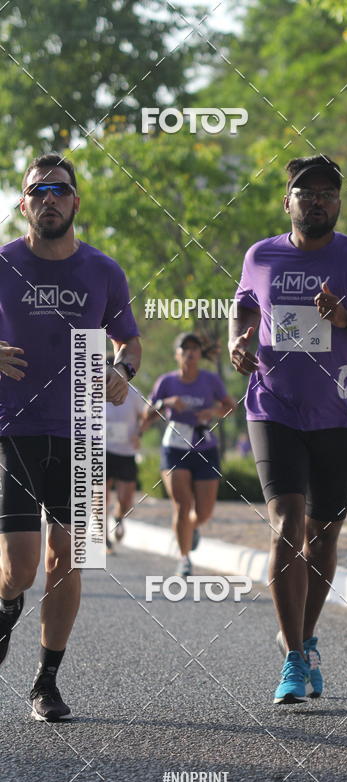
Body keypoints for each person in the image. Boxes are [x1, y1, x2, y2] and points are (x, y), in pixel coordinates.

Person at [229, 155, 347, 704]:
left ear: (339, 203)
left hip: (335, 413)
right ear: (289, 203)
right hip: (272, 408)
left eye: (329, 193)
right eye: (307, 193)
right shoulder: (261, 256)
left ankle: (306, 638)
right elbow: (243, 308)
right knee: (287, 522)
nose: (318, 201)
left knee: (323, 534)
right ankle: (293, 659)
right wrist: (239, 339)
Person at [0, 153, 141, 720]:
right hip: (15, 429)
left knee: (69, 557)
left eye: (60, 190)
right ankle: (7, 605)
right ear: (23, 204)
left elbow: (128, 344)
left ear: (76, 201)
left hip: (82, 429)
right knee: (22, 568)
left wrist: (121, 372)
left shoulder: (104, 271)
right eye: (39, 191)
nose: (50, 199)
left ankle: (46, 681)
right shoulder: (4, 262)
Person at [143, 332, 235, 577]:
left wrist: (212, 412)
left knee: (204, 512)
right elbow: (147, 413)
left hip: (205, 447)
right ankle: (184, 559)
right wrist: (167, 403)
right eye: (185, 350)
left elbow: (230, 407)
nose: (190, 354)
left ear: (199, 355)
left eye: (194, 349)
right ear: (177, 355)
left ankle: (191, 528)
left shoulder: (211, 380)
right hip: (174, 447)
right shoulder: (166, 382)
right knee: (182, 506)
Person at [105, 355, 146, 551]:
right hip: (101, 449)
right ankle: (103, 535)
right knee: (100, 495)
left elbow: (144, 417)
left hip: (126, 451)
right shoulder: (91, 391)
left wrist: (139, 433)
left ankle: (119, 517)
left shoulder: (134, 393)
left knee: (125, 498)